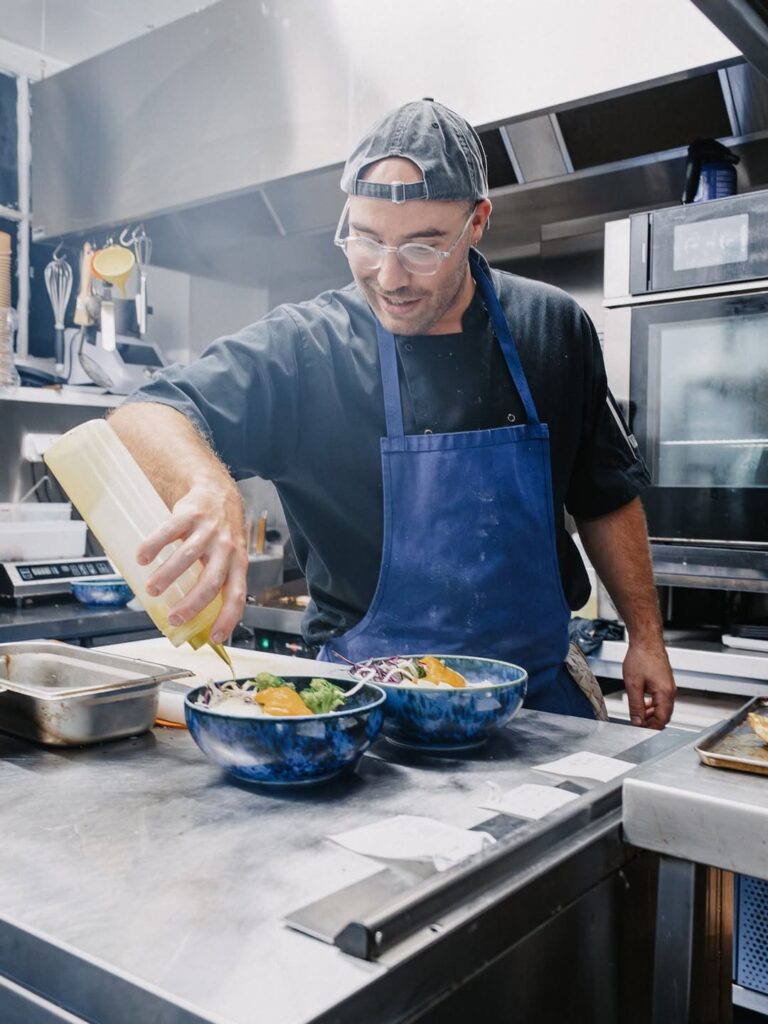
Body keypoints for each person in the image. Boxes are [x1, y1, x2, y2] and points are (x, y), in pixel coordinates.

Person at [109, 99, 676, 727]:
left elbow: (604, 496)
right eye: (366, 239)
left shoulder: (553, 326)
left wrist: (646, 636)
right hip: (369, 718)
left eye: (424, 247)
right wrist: (207, 482)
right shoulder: (308, 347)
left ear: (477, 222)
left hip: (539, 707)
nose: (389, 274)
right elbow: (143, 415)